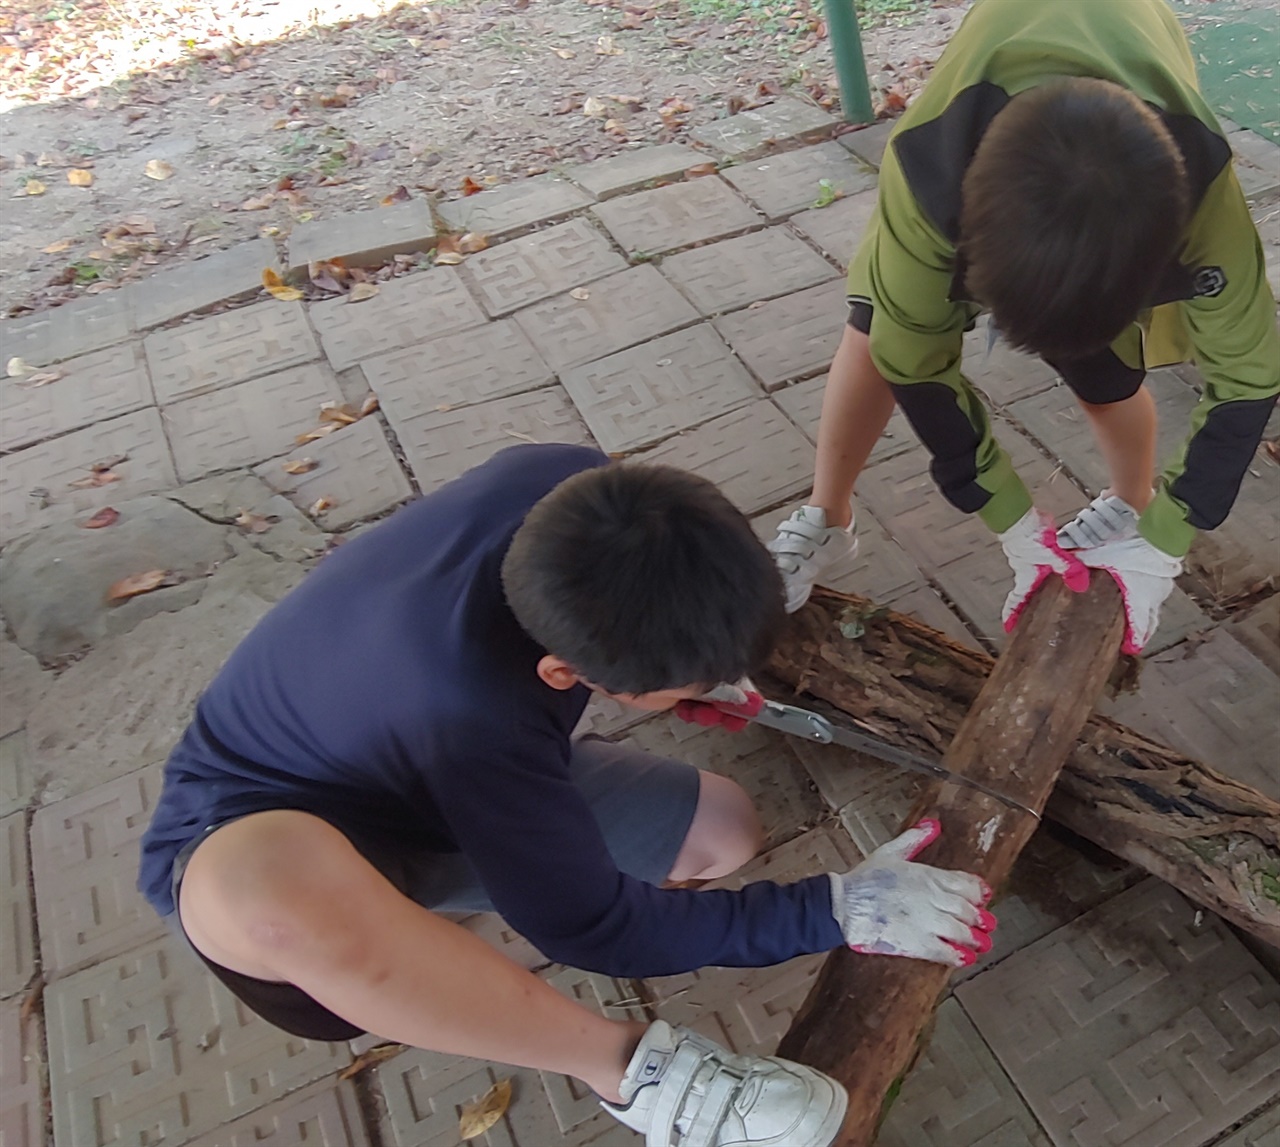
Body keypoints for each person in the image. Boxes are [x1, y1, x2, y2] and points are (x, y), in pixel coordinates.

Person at [137, 444, 997, 1147]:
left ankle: (460, 921)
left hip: (427, 767)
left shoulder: (573, 486)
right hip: (254, 831)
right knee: (270, 891)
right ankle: (634, 1073)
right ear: (564, 671)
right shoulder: (476, 720)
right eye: (688, 682)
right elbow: (593, 929)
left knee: (723, 830)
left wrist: (681, 680)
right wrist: (834, 907)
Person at [769, 0, 1279, 654]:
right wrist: (1010, 517)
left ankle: (1132, 500)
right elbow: (916, 364)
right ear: (966, 247)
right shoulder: (926, 172)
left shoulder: (1205, 191)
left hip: (1134, 36)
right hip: (995, 73)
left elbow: (1249, 377)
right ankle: (827, 511)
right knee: (875, 332)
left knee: (1105, 374)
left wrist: (1166, 537)